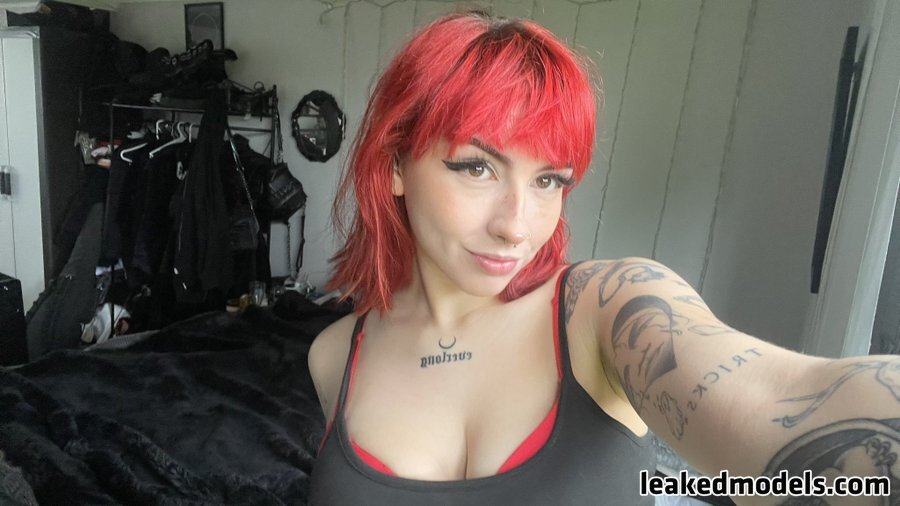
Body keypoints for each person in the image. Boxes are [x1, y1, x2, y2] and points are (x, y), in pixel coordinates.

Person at [308, 11, 900, 505]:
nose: (516, 226)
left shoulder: (605, 310)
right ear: (395, 166)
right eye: (477, 167)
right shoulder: (333, 356)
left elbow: (777, 398)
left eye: (549, 181)